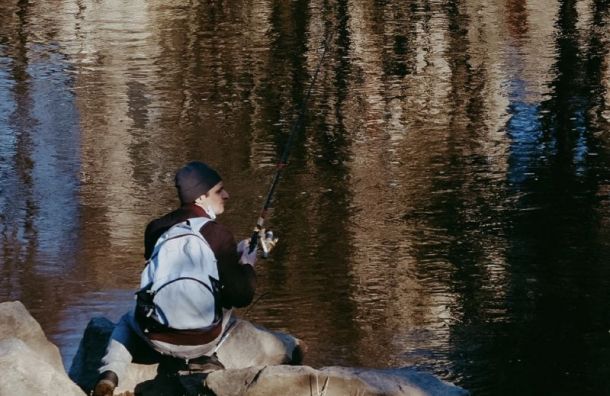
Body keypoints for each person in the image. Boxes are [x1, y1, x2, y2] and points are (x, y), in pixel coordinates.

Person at [92, 161, 258, 396]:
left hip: (156, 336)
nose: (227, 195)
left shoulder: (155, 228)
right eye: (219, 191)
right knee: (224, 300)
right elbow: (241, 295)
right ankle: (204, 358)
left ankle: (109, 375)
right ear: (200, 198)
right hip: (203, 339)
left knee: (127, 320)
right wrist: (247, 265)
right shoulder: (218, 234)